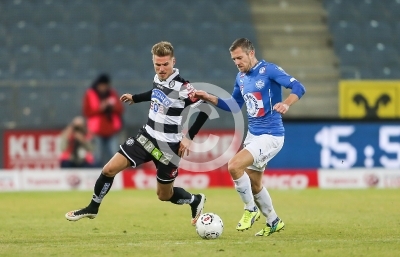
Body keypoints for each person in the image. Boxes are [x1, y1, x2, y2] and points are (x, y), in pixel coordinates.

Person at [65, 41, 210, 226]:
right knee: (109, 169)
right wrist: (135, 98)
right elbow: (155, 92)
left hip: (169, 147)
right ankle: (92, 208)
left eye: (165, 64)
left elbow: (205, 109)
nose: (161, 68)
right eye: (157, 64)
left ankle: (194, 200)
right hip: (146, 137)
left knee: (164, 195)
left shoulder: (184, 88)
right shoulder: (158, 78)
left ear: (173, 61)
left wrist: (189, 137)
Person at [194, 38, 306, 236]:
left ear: (251, 53)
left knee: (234, 166)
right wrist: (208, 97)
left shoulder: (269, 70)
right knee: (255, 185)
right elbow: (234, 105)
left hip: (271, 135)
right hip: (253, 135)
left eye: (239, 57)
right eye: (234, 59)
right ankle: (273, 221)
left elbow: (299, 87)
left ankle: (250, 209)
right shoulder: (241, 77)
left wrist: (287, 103)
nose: (237, 62)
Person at [83, 74, 124, 166]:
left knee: (115, 154)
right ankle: (97, 176)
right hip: (96, 130)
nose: (103, 88)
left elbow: (120, 109)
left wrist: (111, 107)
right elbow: (87, 112)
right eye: (102, 85)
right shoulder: (90, 94)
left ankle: (115, 174)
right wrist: (100, 108)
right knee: (97, 156)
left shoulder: (112, 93)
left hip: (112, 129)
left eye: (105, 85)